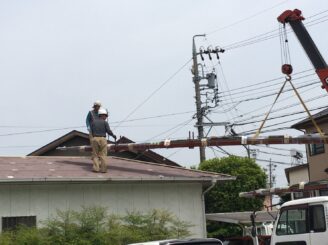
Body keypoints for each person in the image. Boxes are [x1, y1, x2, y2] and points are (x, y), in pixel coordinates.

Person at [90, 108, 116, 173]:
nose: (106, 117)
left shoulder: (93, 122)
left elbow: (92, 132)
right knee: (103, 155)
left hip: (95, 138)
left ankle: (96, 169)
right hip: (103, 139)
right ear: (101, 115)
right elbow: (108, 131)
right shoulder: (105, 122)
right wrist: (113, 135)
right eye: (105, 116)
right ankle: (103, 170)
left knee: (95, 155)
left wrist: (94, 137)